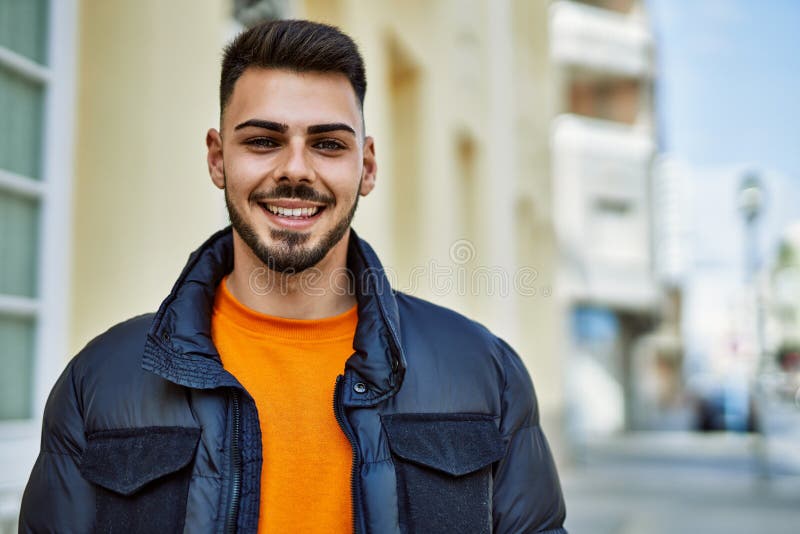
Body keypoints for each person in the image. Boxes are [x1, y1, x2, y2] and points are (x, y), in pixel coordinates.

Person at [19, 19, 567, 534]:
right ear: (217, 158)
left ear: (367, 166)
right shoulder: (98, 382)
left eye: (328, 144)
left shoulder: (484, 374)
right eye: (263, 140)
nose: (296, 170)